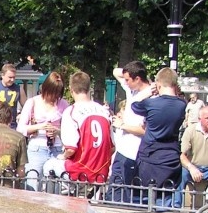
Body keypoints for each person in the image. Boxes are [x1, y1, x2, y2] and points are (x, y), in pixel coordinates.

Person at [42, 71, 114, 195]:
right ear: (88, 87)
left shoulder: (71, 111)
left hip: (81, 169)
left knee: (49, 165)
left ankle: (55, 203)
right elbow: (112, 147)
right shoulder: (104, 111)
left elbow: (71, 149)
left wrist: (62, 157)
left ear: (71, 89)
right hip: (101, 171)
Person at [131, 67, 186, 202]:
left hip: (150, 154)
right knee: (167, 197)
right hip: (170, 156)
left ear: (158, 84)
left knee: (146, 197)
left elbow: (134, 106)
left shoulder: (151, 103)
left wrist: (149, 92)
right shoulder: (182, 104)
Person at [18, 71, 69, 192]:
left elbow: (69, 130)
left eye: (58, 93)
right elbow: (20, 128)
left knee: (55, 187)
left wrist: (57, 131)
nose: (54, 97)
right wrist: (40, 127)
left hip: (56, 148)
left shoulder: (64, 104)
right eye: (52, 93)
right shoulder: (33, 102)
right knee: (33, 183)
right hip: (37, 148)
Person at [107, 61, 151, 202]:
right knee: (115, 187)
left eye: (128, 80)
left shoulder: (151, 98)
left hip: (135, 151)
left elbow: (145, 131)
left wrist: (123, 125)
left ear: (137, 79)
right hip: (123, 149)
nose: (125, 83)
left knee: (126, 190)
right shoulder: (131, 90)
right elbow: (115, 71)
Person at [0, 63, 24, 127]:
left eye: (14, 77)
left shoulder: (19, 89)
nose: (12, 80)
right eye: (10, 77)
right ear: (2, 75)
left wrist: (21, 115)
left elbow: (26, 107)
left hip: (12, 125)